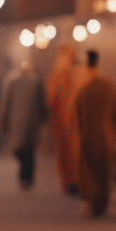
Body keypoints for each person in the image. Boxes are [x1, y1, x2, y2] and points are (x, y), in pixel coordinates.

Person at [74, 50, 116, 217]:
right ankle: (102, 202)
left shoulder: (81, 85)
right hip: (107, 135)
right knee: (104, 170)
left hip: (88, 134)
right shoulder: (107, 85)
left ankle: (91, 203)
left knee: (89, 170)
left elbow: (76, 113)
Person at [0, 61, 48, 190]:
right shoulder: (35, 82)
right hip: (31, 122)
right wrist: (44, 118)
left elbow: (5, 103)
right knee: (28, 151)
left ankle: (25, 177)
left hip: (17, 122)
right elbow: (42, 104)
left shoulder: (17, 82)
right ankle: (26, 177)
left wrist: (3, 120)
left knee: (21, 149)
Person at [46, 44, 80, 195]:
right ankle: (77, 180)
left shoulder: (57, 69)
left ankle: (68, 181)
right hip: (75, 116)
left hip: (60, 118)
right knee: (76, 149)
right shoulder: (76, 70)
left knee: (64, 152)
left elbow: (51, 97)